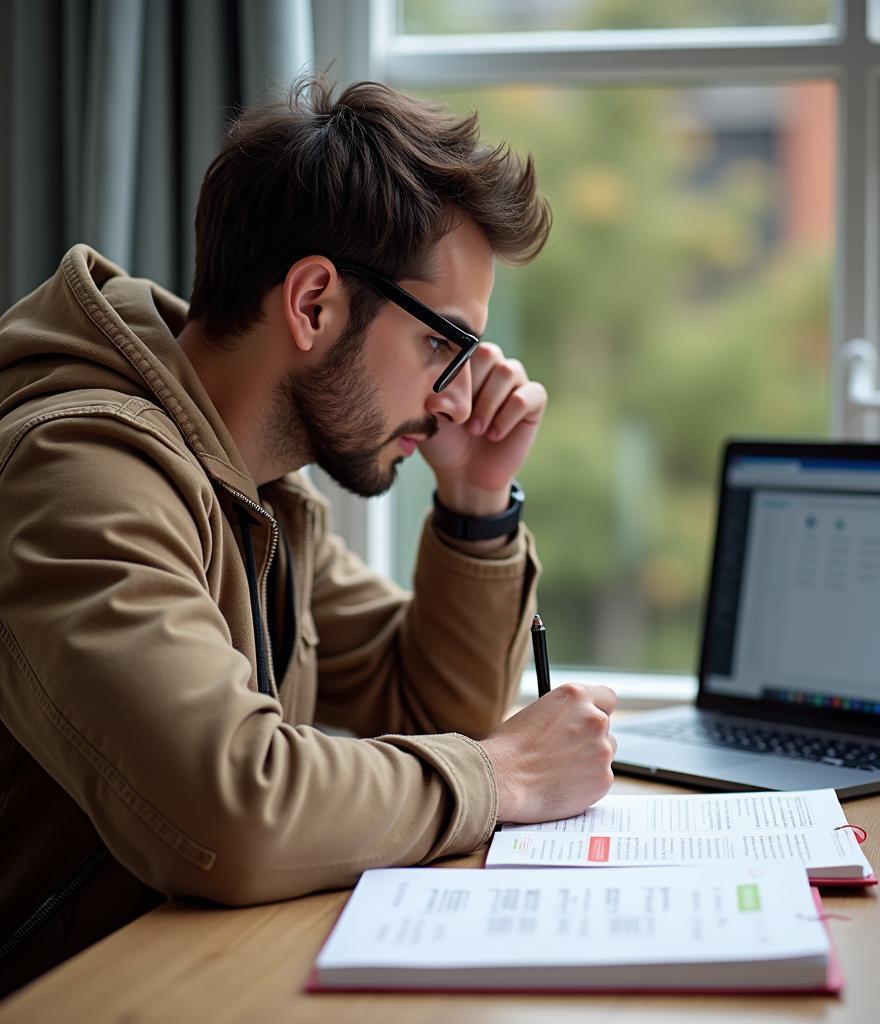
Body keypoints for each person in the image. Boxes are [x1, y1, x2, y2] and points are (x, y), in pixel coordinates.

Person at [0, 77, 617, 996]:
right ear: (315, 302)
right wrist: (505, 774)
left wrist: (474, 502)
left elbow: (427, 708)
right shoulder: (76, 474)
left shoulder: (261, 498)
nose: (457, 394)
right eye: (447, 345)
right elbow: (232, 808)